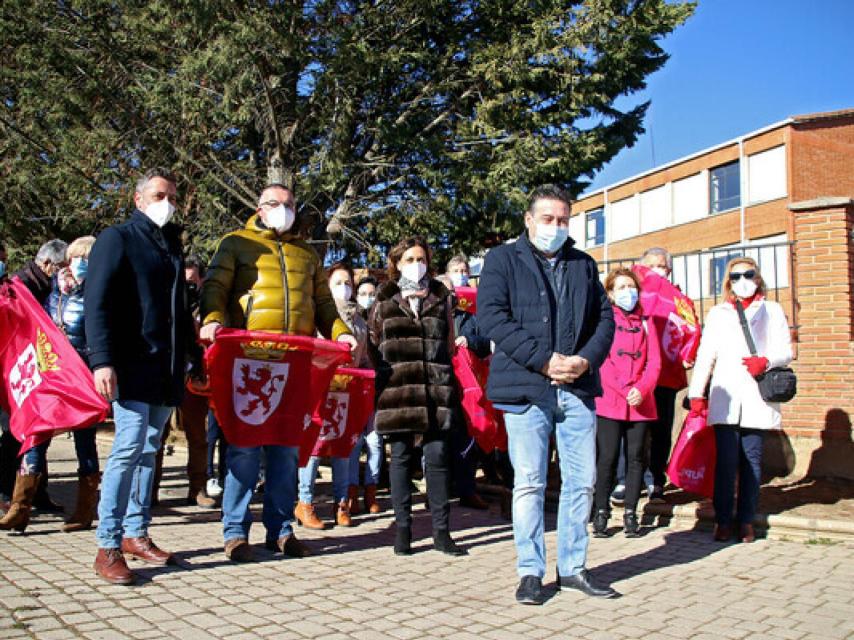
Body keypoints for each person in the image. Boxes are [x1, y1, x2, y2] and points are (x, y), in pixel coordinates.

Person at [200, 183, 356, 563]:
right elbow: (215, 287)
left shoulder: (307, 254)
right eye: (274, 203)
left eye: (288, 204)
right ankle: (235, 532)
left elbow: (323, 304)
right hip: (250, 359)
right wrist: (212, 318)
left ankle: (281, 530)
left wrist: (342, 332)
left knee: (286, 452)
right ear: (259, 207)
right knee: (244, 450)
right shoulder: (235, 243)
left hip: (294, 362)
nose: (282, 209)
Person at [477, 184, 617, 605]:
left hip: (576, 387)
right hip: (526, 389)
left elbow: (605, 320)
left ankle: (573, 567)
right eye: (548, 219)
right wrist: (543, 361)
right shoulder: (502, 260)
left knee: (581, 483)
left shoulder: (583, 265)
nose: (555, 227)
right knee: (530, 483)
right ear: (529, 219)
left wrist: (584, 361)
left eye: (562, 220)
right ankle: (530, 571)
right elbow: (491, 317)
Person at [85, 167, 195, 585]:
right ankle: (107, 543)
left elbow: (178, 310)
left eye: (171, 196)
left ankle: (136, 532)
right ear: (138, 199)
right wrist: (102, 360)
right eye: (158, 195)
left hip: (164, 369)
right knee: (128, 449)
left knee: (150, 451)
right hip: (129, 365)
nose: (166, 202)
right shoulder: (118, 239)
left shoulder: (172, 245)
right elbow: (98, 301)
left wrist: (189, 358)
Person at [368, 236, 465, 557]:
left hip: (436, 391)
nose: (416, 265)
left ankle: (442, 532)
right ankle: (404, 530)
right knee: (401, 459)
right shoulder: (383, 302)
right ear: (396, 263)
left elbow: (449, 346)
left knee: (437, 459)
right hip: (398, 392)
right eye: (408, 259)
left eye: (420, 258)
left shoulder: (441, 298)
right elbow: (373, 346)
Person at [687, 257, 792, 543]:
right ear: (728, 281)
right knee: (726, 461)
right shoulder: (719, 313)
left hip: (756, 394)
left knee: (752, 461)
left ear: (758, 277)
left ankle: (746, 519)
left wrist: (766, 360)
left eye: (748, 274)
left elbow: (786, 349)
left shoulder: (772, 310)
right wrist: (697, 392)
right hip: (726, 394)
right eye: (735, 276)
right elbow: (706, 354)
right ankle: (723, 520)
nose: (742, 280)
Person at [296, 261, 373, 528]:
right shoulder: (320, 317)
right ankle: (304, 503)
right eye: (337, 283)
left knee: (344, 448)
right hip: (320, 390)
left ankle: (342, 504)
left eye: (348, 283)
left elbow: (364, 360)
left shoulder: (361, 323)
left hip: (347, 393)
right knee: (314, 448)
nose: (344, 288)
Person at [0, 239, 69, 523]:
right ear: (47, 264)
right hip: (16, 370)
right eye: (62, 266)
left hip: (39, 369)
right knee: (15, 433)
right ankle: (7, 493)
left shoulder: (47, 287)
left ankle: (37, 492)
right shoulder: (21, 287)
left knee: (39, 433)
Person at [592, 268, 660, 538]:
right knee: (607, 457)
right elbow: (603, 360)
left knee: (636, 459)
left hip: (641, 403)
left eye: (631, 287)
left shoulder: (647, 321)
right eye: (620, 287)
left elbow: (654, 361)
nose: (627, 292)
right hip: (610, 400)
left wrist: (642, 388)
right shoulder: (604, 321)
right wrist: (624, 388)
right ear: (609, 293)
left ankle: (631, 512)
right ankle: (601, 511)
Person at [152, 255, 216, 509]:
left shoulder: (209, 306)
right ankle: (150, 490)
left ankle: (197, 488)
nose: (187, 286)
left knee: (198, 436)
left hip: (195, 377)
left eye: (191, 281)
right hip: (165, 376)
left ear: (201, 280)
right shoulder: (164, 300)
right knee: (156, 435)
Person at [441, 258, 492, 510]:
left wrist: (469, 340)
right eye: (456, 272)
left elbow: (486, 344)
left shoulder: (472, 315)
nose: (461, 276)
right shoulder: (433, 314)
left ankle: (467, 489)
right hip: (441, 385)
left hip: (468, 388)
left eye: (465, 272)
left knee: (467, 438)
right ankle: (439, 491)